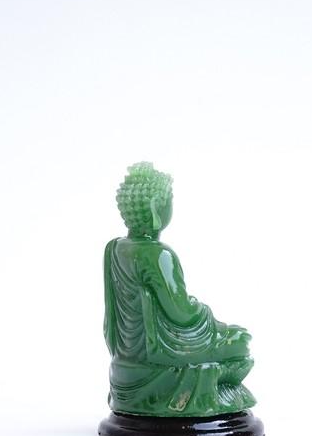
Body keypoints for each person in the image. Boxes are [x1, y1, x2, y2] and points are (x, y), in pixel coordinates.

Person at [103, 162, 256, 417]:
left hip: (127, 356)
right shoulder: (157, 254)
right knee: (240, 342)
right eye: (169, 201)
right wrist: (207, 315)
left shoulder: (114, 249)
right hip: (164, 352)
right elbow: (181, 313)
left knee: (233, 338)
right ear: (156, 208)